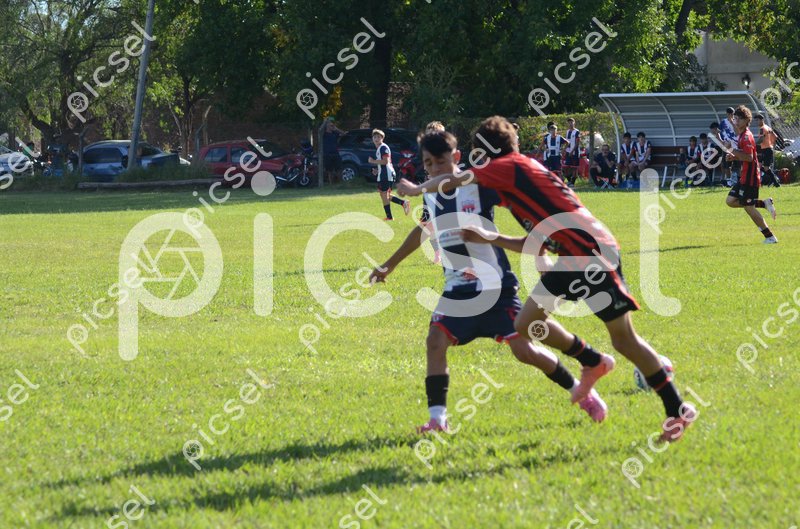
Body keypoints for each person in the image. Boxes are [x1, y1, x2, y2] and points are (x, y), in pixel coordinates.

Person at [398, 116, 697, 443]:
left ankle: (676, 408)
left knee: (624, 339)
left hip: (590, 252)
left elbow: (457, 179)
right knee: (527, 323)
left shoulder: (509, 167)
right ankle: (593, 362)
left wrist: (416, 189)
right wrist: (506, 243)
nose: (476, 161)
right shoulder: (513, 183)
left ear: (486, 153)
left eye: (478, 153)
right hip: (572, 256)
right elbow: (533, 238)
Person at [370, 130, 608, 433]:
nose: (434, 169)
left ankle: (582, 390)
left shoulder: (477, 185)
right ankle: (437, 420)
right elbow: (424, 230)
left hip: (495, 288)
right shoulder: (430, 192)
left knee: (525, 350)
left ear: (457, 158)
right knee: (435, 342)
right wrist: (389, 265)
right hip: (457, 289)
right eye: (428, 164)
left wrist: (540, 254)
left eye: (441, 162)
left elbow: (522, 206)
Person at [724, 105, 778, 244]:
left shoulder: (746, 137)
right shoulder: (741, 135)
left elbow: (749, 157)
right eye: (735, 118)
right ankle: (764, 203)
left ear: (746, 121)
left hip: (750, 177)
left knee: (749, 207)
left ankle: (770, 237)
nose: (736, 121)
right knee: (730, 201)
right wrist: (734, 156)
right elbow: (745, 156)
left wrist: (732, 150)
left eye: (738, 119)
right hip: (745, 175)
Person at [369, 129, 409, 221]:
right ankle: (403, 203)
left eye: (378, 137)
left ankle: (389, 217)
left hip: (387, 174)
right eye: (374, 137)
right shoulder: (379, 148)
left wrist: (373, 161)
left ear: (382, 138)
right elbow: (384, 163)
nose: (376, 139)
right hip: (383, 173)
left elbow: (385, 161)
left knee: (384, 194)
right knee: (384, 194)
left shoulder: (383, 147)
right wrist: (377, 170)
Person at [754, 113, 780, 187]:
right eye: (756, 120)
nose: (756, 122)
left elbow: (761, 139)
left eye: (758, 120)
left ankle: (775, 182)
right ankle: (769, 181)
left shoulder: (762, 128)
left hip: (766, 150)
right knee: (759, 165)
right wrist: (772, 145)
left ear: (762, 120)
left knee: (766, 168)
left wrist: (753, 144)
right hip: (767, 149)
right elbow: (775, 137)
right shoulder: (768, 127)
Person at [321, 117, 345, 184]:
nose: (332, 126)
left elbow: (344, 134)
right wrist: (324, 122)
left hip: (335, 153)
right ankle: (331, 184)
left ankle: (340, 184)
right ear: (327, 126)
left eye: (333, 125)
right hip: (327, 154)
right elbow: (320, 131)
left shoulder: (335, 133)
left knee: (339, 169)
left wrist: (337, 129)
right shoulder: (324, 134)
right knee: (330, 171)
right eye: (331, 125)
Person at [719, 108, 738, 186]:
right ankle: (728, 181)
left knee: (737, 164)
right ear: (727, 113)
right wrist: (722, 141)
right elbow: (719, 132)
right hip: (726, 146)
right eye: (729, 113)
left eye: (732, 113)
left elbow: (739, 132)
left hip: (735, 146)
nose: (731, 115)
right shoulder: (723, 122)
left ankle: (737, 180)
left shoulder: (736, 121)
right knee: (726, 164)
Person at [562, 118, 581, 186]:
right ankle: (569, 181)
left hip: (575, 152)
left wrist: (572, 151)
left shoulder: (577, 132)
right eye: (569, 122)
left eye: (571, 122)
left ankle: (572, 182)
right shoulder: (567, 131)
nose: (570, 124)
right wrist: (564, 149)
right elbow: (567, 142)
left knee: (574, 167)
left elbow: (577, 143)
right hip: (568, 151)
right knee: (565, 167)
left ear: (574, 123)